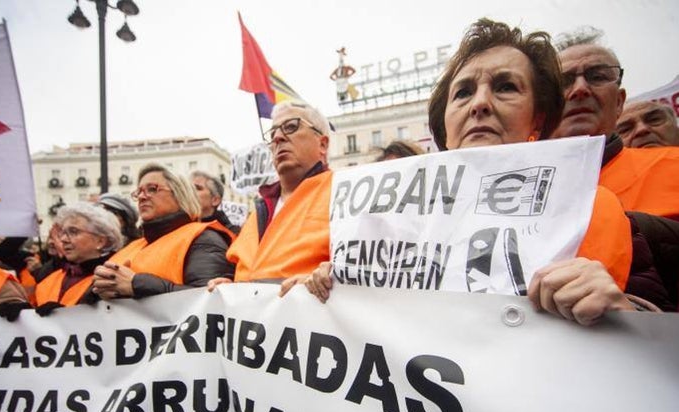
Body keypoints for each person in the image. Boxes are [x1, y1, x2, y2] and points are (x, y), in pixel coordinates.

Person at [306, 18, 666, 324]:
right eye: (462, 93)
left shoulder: (591, 207)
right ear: (444, 128)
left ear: (538, 119)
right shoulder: (385, 222)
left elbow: (658, 346)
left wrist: (624, 309)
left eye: (505, 87)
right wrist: (322, 290)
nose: (480, 103)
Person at [551, 28, 679, 220]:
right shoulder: (509, 185)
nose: (580, 89)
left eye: (597, 77)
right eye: (564, 81)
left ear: (619, 102)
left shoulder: (673, 165)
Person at [208, 100, 333, 295]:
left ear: (322, 144)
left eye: (291, 127)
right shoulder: (259, 209)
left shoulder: (343, 193)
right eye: (272, 133)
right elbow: (250, 272)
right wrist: (231, 289)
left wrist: (335, 280)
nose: (278, 138)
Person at [92, 163, 234, 299]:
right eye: (139, 192)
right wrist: (100, 292)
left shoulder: (203, 238)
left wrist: (137, 285)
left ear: (180, 195)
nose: (142, 197)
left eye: (152, 189)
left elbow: (208, 301)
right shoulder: (134, 245)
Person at [34, 203, 122, 307]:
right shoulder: (51, 277)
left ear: (100, 241)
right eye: (63, 233)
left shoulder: (115, 280)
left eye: (73, 232)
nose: (63, 239)